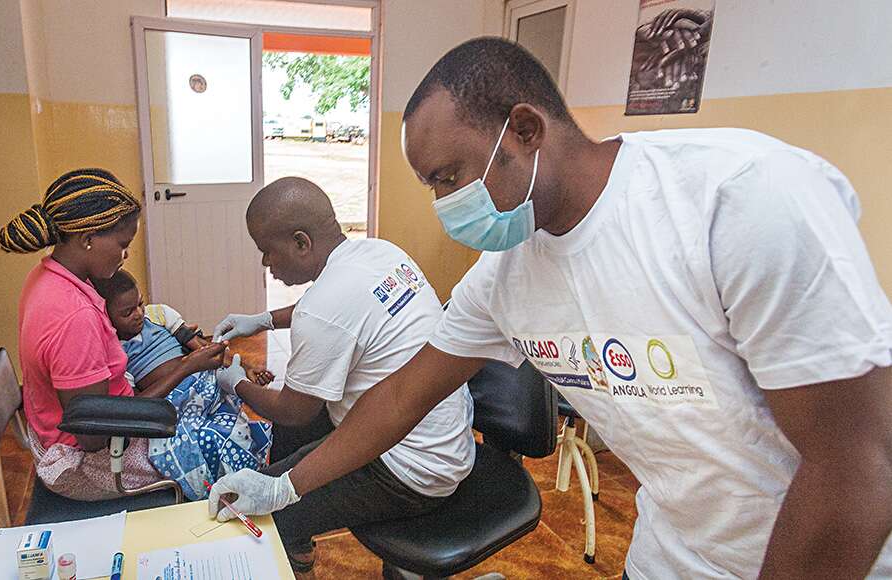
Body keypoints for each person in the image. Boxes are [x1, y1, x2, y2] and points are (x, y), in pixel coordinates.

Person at [207, 39, 892, 579]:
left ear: (527, 129)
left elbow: (858, 461)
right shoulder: (504, 276)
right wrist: (282, 489)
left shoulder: (738, 201)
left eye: (450, 177)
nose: (445, 206)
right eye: (431, 186)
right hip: (675, 551)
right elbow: (399, 399)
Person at [209, 177, 475, 576]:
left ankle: (289, 539)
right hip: (447, 443)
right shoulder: (380, 252)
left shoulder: (324, 306)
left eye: (267, 251)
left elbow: (293, 409)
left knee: (260, 512)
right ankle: (299, 543)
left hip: (409, 473)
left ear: (301, 243)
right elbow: (336, 306)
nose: (266, 263)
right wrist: (263, 321)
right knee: (294, 437)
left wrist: (235, 382)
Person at [0, 168, 227, 500]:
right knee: (222, 443)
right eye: (122, 244)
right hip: (91, 463)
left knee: (210, 402)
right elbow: (96, 435)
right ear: (87, 238)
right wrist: (186, 366)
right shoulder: (74, 317)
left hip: (66, 430)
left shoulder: (45, 276)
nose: (125, 255)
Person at [92, 269, 273, 500]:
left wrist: (244, 366)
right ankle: (221, 490)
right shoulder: (115, 352)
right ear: (107, 316)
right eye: (127, 312)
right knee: (203, 438)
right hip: (172, 402)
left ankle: (253, 474)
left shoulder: (159, 316)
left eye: (140, 304)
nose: (138, 314)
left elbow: (201, 348)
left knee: (237, 425)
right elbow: (137, 402)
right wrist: (185, 368)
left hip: (202, 383)